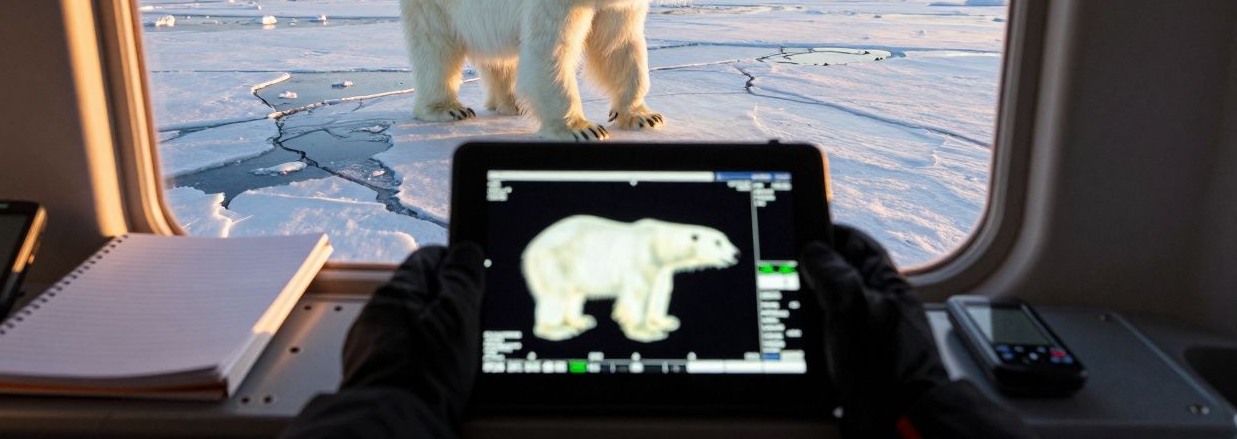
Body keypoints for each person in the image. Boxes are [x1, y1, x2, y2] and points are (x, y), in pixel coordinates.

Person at [281, 226, 1035, 439]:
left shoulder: (659, 247)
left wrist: (396, 395)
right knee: (581, 297)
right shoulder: (653, 247)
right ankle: (564, 319)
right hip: (568, 258)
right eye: (718, 247)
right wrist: (914, 397)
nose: (725, 253)